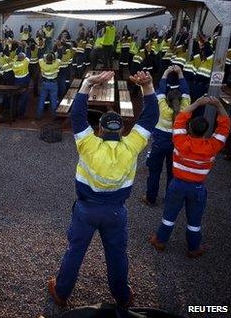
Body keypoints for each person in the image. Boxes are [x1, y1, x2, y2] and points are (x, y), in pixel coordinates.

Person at [48, 71, 158, 308]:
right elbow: (150, 118)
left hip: (86, 210)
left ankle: (62, 292)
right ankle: (122, 296)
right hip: (116, 212)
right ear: (121, 131)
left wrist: (87, 84)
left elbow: (77, 114)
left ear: (99, 129)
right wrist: (148, 87)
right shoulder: (132, 146)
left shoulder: (88, 144)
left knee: (75, 251)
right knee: (117, 253)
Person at [149, 96, 230, 258]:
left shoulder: (179, 140)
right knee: (195, 219)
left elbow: (180, 118)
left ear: (190, 128)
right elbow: (225, 126)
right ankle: (193, 247)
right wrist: (218, 105)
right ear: (206, 131)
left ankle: (160, 240)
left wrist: (198, 103)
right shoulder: (212, 147)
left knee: (169, 214)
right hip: (197, 188)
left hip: (177, 184)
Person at [142, 65, 190, 206]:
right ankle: (170, 199)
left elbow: (161, 88)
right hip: (177, 144)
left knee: (154, 171)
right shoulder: (185, 107)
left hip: (159, 142)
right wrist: (180, 73)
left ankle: (151, 198)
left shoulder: (161, 105)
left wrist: (166, 72)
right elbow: (186, 90)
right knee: (172, 172)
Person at [37, 53, 62, 119]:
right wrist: (54, 57)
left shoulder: (43, 65)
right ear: (53, 59)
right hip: (53, 84)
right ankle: (54, 116)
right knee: (54, 100)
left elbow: (40, 59)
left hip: (45, 83)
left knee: (42, 99)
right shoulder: (56, 64)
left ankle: (39, 115)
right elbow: (58, 60)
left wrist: (45, 58)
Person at [12, 52, 31, 118]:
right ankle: (21, 114)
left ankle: (14, 113)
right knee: (23, 98)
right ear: (23, 58)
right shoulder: (25, 62)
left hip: (16, 80)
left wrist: (17, 57)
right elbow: (27, 59)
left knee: (16, 97)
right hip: (24, 81)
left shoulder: (14, 63)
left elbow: (15, 58)